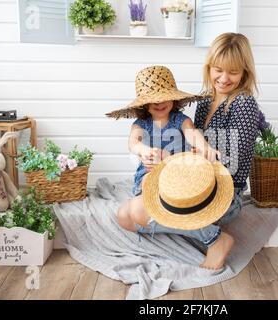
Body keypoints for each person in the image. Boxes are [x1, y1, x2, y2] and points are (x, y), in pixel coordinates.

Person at [132, 33, 268, 270]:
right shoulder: (205, 100)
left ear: (245, 72)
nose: (224, 78)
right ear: (209, 67)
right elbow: (191, 147)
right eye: (218, 69)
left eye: (233, 72)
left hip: (222, 192)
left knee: (135, 211)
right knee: (127, 215)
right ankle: (208, 235)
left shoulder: (244, 104)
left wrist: (188, 160)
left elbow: (230, 165)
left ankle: (217, 240)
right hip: (195, 183)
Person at [106, 65, 219, 237]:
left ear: (174, 99)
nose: (160, 103)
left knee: (164, 184)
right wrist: (142, 149)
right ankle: (154, 203)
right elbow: (132, 142)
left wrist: (204, 146)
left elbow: (193, 134)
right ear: (144, 105)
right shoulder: (141, 124)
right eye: (154, 100)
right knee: (145, 184)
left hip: (177, 174)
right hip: (149, 175)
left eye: (165, 98)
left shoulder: (181, 120)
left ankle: (171, 205)